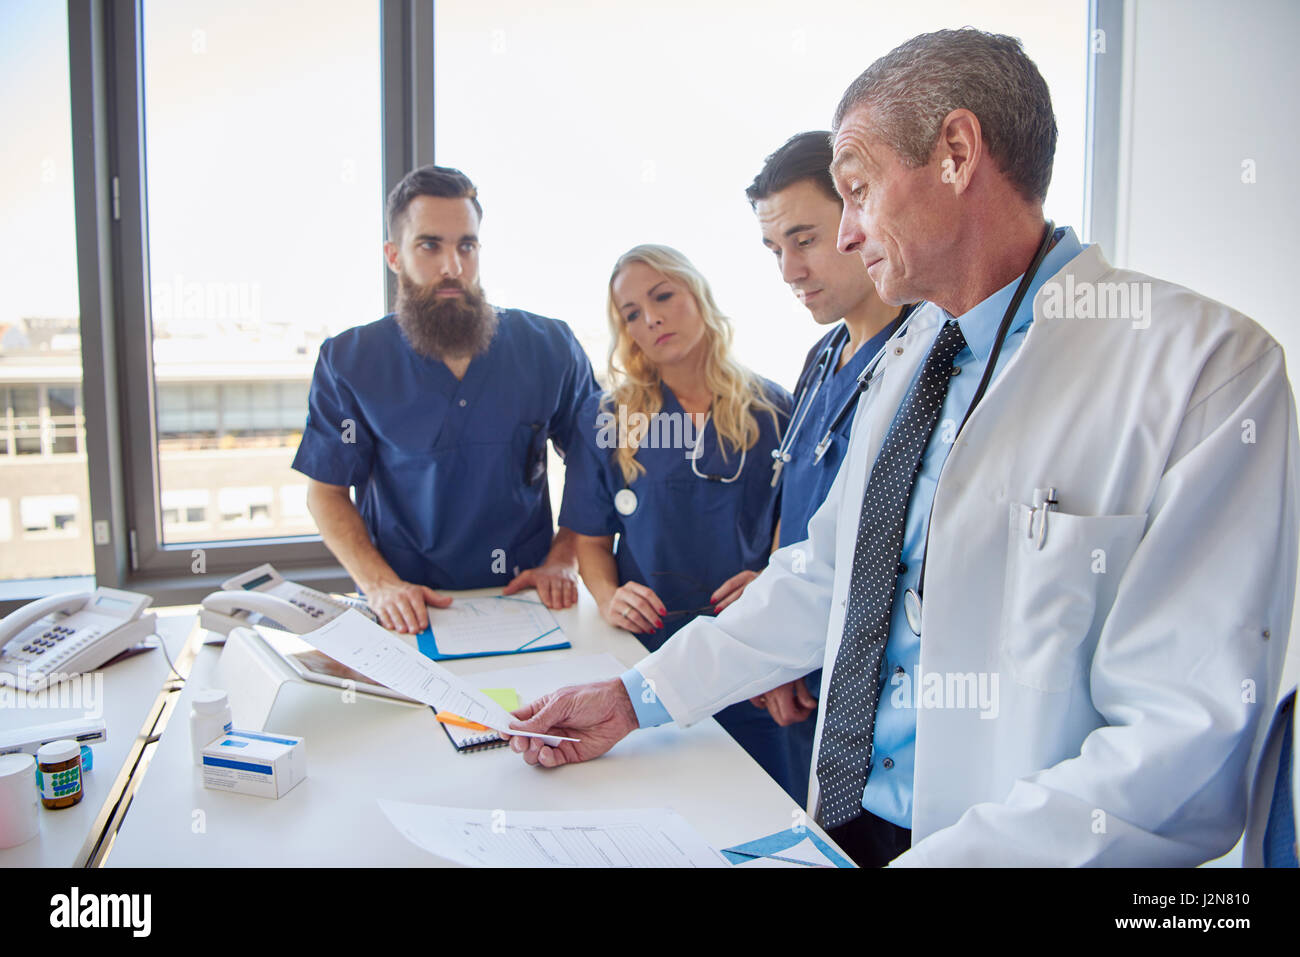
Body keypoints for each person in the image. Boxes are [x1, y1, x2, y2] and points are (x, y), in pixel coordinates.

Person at [504, 29, 1299, 868]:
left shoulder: (1204, 369)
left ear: (956, 153)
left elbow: (1182, 743)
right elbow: (823, 576)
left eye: (856, 189)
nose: (844, 235)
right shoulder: (912, 357)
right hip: (845, 829)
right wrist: (634, 698)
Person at [292, 166, 599, 632]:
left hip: (527, 601)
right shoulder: (350, 361)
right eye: (430, 245)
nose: (452, 266)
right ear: (394, 256)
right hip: (408, 608)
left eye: (467, 246)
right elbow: (326, 492)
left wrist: (563, 558)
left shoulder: (549, 346)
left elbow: (594, 460)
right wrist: (379, 586)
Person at [556, 243, 795, 790]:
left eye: (663, 296)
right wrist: (609, 596)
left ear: (699, 295)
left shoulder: (775, 408)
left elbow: (794, 523)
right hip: (648, 649)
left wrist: (769, 580)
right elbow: (589, 539)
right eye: (632, 314)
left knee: (753, 802)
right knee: (657, 799)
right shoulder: (608, 418)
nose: (652, 318)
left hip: (745, 649)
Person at [745, 130, 916, 803]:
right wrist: (770, 631)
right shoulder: (821, 361)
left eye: (804, 239)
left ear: (858, 213)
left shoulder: (926, 363)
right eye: (774, 249)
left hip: (866, 691)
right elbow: (796, 511)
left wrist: (785, 643)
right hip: (793, 669)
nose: (789, 270)